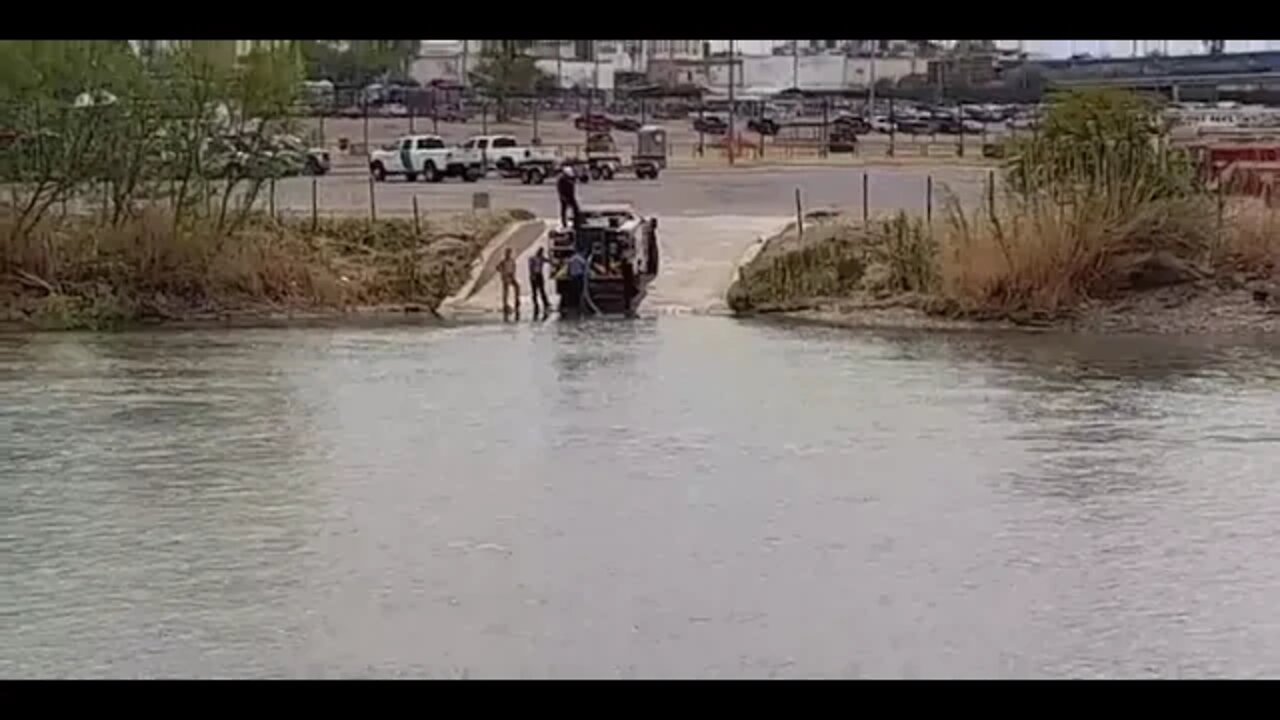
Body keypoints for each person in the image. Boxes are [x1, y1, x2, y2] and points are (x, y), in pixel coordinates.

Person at [528, 247, 551, 319]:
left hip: (539, 275)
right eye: (540, 252)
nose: (541, 253)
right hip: (534, 275)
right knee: (534, 291)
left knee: (542, 290)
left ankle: (546, 303)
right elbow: (530, 267)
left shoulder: (541, 258)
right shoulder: (532, 258)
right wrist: (532, 275)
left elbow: (548, 260)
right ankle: (536, 304)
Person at [498, 247, 520, 318]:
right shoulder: (503, 261)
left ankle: (517, 300)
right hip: (505, 277)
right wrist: (503, 273)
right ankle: (505, 304)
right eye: (507, 253)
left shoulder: (512, 260)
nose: (508, 254)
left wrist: (513, 274)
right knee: (506, 290)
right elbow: (498, 267)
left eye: (509, 253)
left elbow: (514, 267)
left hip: (511, 276)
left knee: (517, 286)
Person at [566, 248, 588, 315]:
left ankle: (574, 304)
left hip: (573, 277)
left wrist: (568, 274)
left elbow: (568, 268)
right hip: (579, 276)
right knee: (580, 290)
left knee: (574, 290)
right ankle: (580, 304)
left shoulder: (571, 259)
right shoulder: (579, 258)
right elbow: (585, 265)